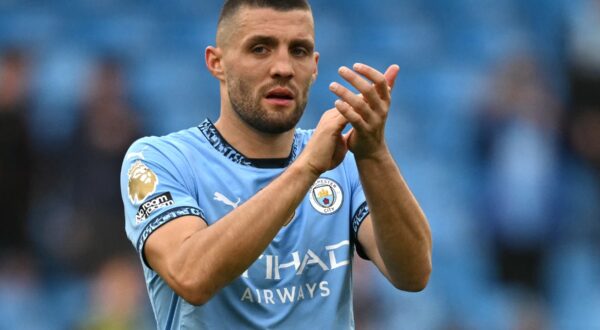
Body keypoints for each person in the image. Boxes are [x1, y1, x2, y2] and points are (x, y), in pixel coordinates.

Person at [120, 0, 432, 328]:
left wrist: (374, 154)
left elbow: (413, 274)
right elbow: (191, 276)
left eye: (298, 51)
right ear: (217, 63)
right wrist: (306, 168)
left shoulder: (344, 162)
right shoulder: (160, 160)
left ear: (314, 67)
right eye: (260, 48)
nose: (283, 67)